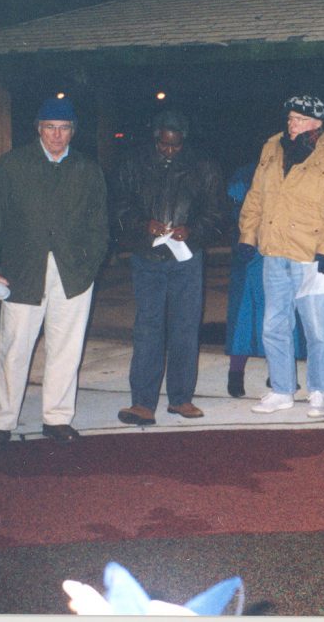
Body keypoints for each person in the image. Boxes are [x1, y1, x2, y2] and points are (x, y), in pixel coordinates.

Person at [0, 97, 109, 448]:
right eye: (50, 127)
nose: (56, 136)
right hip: (22, 271)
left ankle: (57, 418)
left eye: (64, 128)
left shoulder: (87, 168)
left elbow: (100, 227)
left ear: (73, 132)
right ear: (38, 129)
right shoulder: (14, 165)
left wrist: (88, 265)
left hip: (72, 273)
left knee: (66, 348)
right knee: (15, 348)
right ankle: (1, 423)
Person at [238, 95, 324, 418]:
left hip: (311, 256)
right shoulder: (272, 147)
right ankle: (282, 389)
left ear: (316, 123)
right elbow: (256, 195)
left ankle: (318, 391)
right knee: (273, 324)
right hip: (274, 251)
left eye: (299, 120)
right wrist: (248, 235)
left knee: (315, 328)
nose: (291, 125)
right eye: (289, 118)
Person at [112, 109, 226, 425]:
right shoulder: (134, 165)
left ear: (184, 141)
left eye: (175, 146)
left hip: (186, 259)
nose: (170, 151)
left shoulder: (204, 167)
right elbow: (119, 207)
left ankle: (181, 399)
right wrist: (141, 224)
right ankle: (142, 403)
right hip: (147, 258)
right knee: (148, 328)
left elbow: (216, 214)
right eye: (164, 145)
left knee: (185, 328)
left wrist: (193, 230)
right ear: (156, 138)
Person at [224, 162, 306, 398]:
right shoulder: (247, 173)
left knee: (279, 313)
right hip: (251, 250)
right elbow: (237, 204)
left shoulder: (296, 167)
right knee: (244, 313)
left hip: (282, 248)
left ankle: (278, 373)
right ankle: (235, 372)